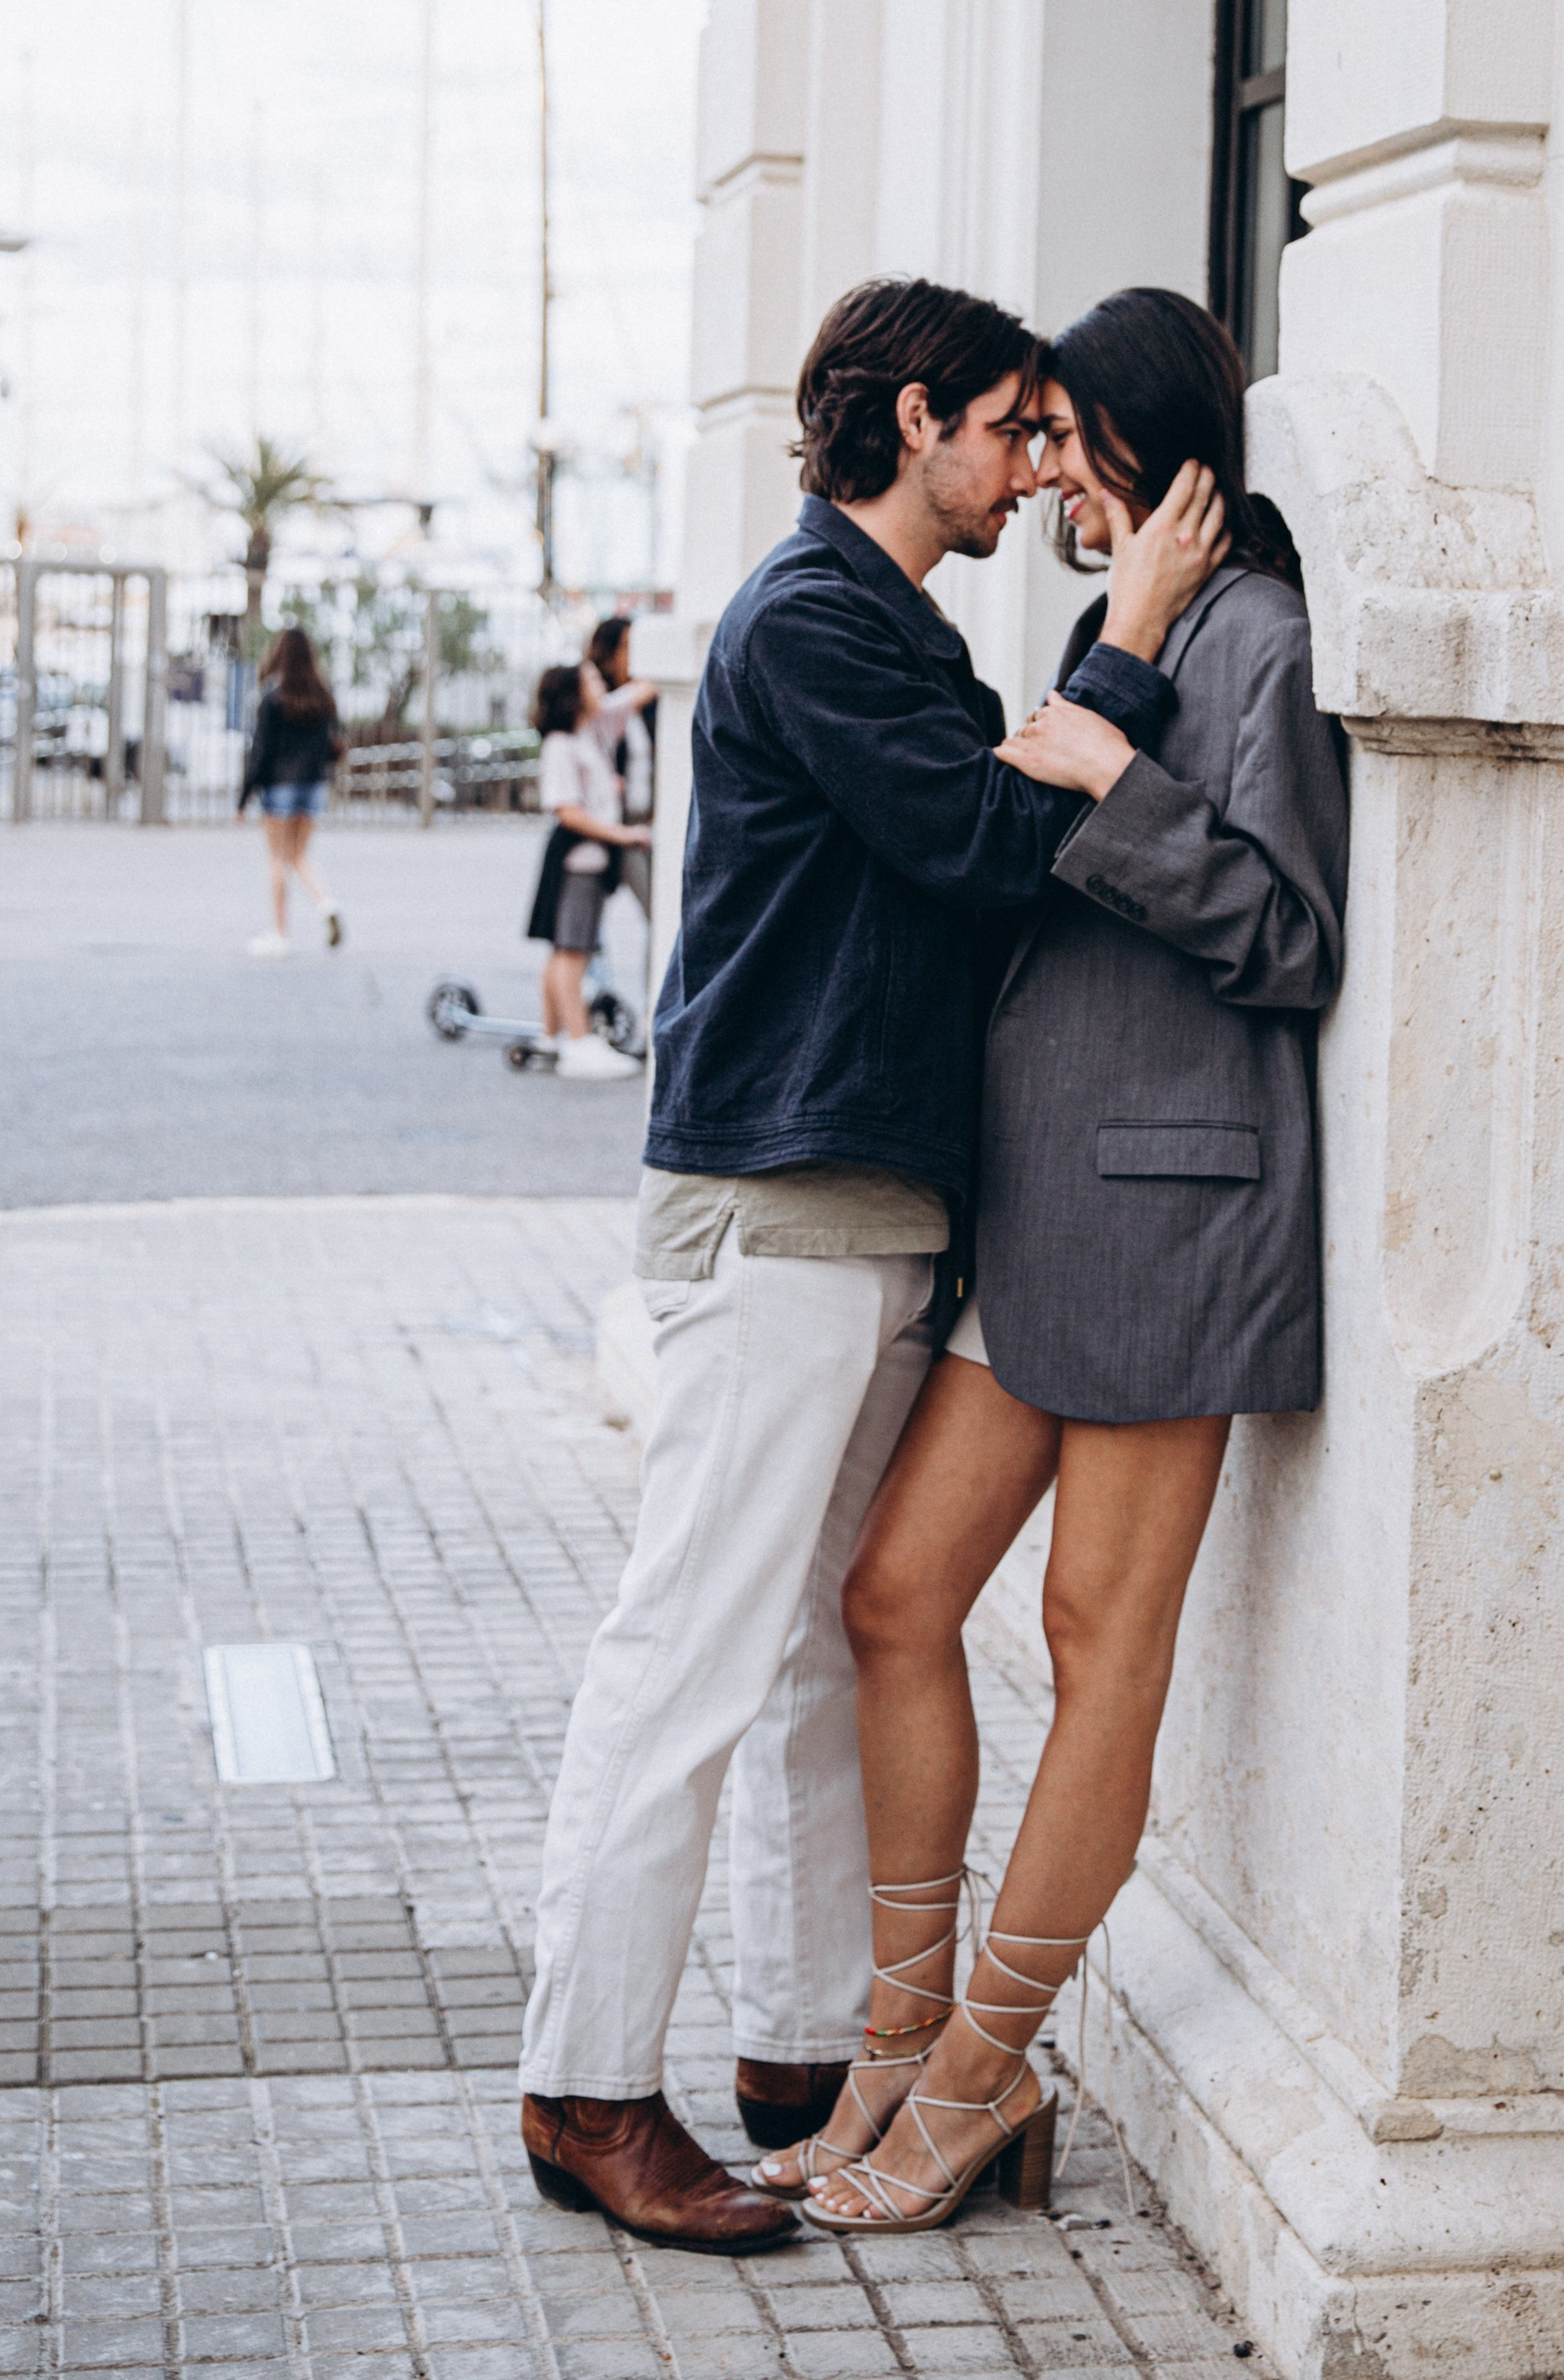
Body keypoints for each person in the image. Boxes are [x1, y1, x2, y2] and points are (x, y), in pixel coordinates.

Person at [516, 276, 1229, 2254]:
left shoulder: (886, 622)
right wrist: (1140, 645)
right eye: (1006, 428)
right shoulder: (813, 617)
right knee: (691, 1651)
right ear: (912, 421)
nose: (1034, 465)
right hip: (780, 1207)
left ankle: (803, 2052)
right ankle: (584, 2085)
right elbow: (993, 851)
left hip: (870, 1213)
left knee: (832, 1637)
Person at [760, 289, 1350, 2235]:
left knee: (1103, 1647)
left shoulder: (1252, 637)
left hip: (1175, 1213)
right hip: (1038, 1214)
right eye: (1026, 439)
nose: (1046, 476)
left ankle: (986, 2073)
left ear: (1164, 455)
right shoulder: (1144, 630)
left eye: (1070, 441)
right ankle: (905, 2040)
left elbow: (1285, 937)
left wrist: (1115, 782)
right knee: (894, 1595)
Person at [529, 659, 649, 1081]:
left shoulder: (592, 730)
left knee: (564, 949)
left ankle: (551, 1038)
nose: (602, 683)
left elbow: (637, 694)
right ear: (574, 694)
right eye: (592, 680)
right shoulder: (563, 744)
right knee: (572, 952)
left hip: (588, 860)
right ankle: (579, 1043)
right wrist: (624, 835)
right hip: (579, 859)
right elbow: (568, 811)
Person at [236, 625, 343, 957]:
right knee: (299, 856)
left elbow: (261, 751)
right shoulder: (324, 696)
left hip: (279, 787)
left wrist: (242, 798)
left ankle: (280, 935)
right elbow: (335, 743)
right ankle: (326, 904)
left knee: (277, 859)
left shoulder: (272, 698)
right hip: (313, 786)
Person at [584, 613, 657, 917]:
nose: (633, 655)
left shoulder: (647, 710)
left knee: (660, 910)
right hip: (612, 823)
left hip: (645, 822)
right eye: (627, 646)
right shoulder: (601, 707)